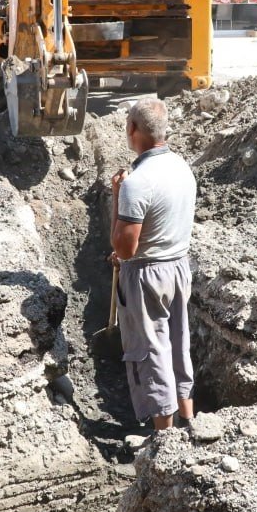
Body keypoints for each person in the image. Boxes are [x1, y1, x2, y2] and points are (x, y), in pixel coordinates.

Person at [110, 99, 198, 432]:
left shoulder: (138, 182)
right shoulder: (181, 167)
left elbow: (125, 249)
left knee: (151, 350)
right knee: (178, 341)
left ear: (133, 129)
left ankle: (165, 436)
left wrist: (117, 195)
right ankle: (188, 421)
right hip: (178, 267)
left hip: (148, 275)